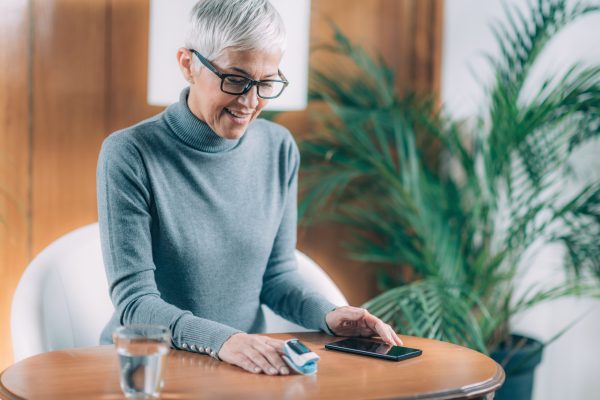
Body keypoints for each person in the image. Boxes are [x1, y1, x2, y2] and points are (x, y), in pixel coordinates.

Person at [97, 0, 402, 376]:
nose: (251, 101)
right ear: (188, 64)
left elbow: (276, 278)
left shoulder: (279, 148)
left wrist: (330, 314)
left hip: (240, 369)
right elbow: (135, 303)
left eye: (266, 82)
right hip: (148, 369)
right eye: (235, 80)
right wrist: (225, 340)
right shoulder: (129, 153)